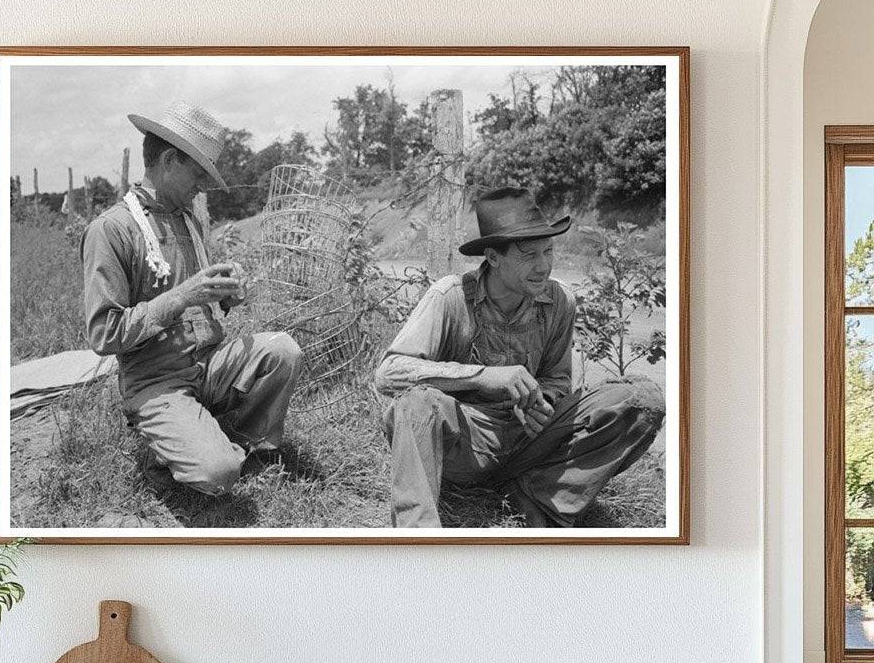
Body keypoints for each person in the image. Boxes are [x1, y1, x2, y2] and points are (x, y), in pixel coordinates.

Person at [373, 187, 664, 528]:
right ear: (493, 257)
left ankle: (536, 493)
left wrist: (543, 402)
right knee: (415, 404)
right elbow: (389, 373)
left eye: (548, 251)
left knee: (641, 399)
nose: (543, 266)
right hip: (464, 445)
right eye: (529, 255)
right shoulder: (450, 297)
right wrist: (484, 376)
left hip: (530, 441)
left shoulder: (559, 301)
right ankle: (418, 534)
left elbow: (557, 379)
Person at [81, 100, 303, 499]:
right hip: (157, 380)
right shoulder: (111, 230)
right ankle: (182, 446)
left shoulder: (188, 218)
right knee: (219, 473)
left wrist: (227, 293)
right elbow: (104, 334)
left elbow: (199, 295)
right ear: (169, 161)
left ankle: (244, 443)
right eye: (198, 174)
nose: (202, 186)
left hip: (208, 365)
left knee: (282, 349)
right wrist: (182, 296)